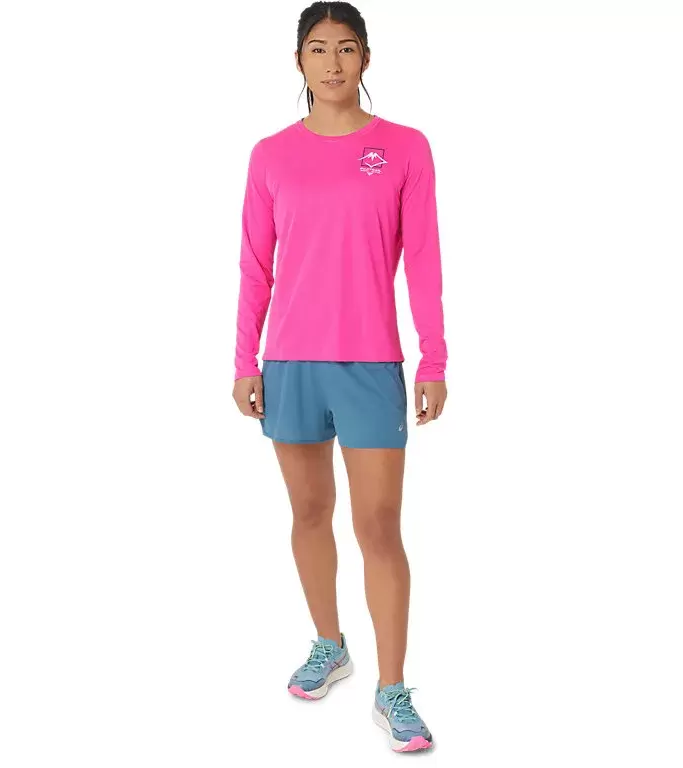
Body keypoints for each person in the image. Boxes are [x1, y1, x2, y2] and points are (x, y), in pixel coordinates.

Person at [231, 1, 447, 754]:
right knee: (308, 514)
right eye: (318, 49)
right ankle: (330, 643)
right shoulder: (270, 155)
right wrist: (245, 360)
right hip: (290, 364)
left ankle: (393, 689)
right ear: (299, 61)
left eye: (346, 48)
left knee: (379, 527)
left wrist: (434, 358)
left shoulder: (405, 148)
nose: (332, 63)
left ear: (366, 58)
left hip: (370, 365)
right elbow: (255, 267)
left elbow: (424, 258)